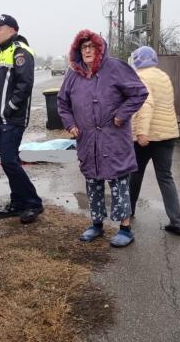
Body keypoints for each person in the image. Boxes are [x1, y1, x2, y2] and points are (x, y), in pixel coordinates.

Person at [57, 29, 148, 247]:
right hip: (87, 140)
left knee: (119, 183)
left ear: (100, 49)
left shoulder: (116, 67)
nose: (87, 50)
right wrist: (70, 124)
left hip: (114, 138)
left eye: (91, 47)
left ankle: (125, 228)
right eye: (83, 47)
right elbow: (62, 102)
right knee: (93, 181)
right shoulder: (73, 74)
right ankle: (96, 224)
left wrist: (121, 115)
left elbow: (139, 92)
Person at [0, 14, 43, 224]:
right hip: (1, 120)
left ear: (12, 30)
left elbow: (24, 85)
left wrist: (9, 109)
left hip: (12, 119)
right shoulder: (2, 53)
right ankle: (18, 202)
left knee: (10, 161)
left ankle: (33, 203)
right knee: (8, 162)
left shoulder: (21, 51)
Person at [127, 46, 180, 235]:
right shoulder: (163, 76)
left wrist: (142, 133)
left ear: (138, 60)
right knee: (165, 177)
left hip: (147, 136)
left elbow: (145, 105)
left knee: (135, 173)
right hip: (167, 135)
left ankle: (129, 210)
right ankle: (177, 222)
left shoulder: (140, 77)